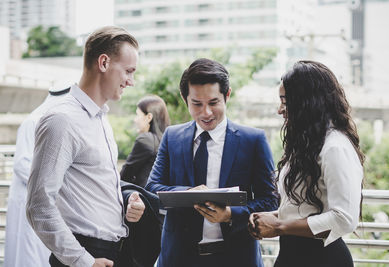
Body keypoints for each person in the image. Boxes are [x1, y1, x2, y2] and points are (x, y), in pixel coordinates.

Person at [26, 26, 145, 267]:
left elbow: (92, 183)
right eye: (128, 71)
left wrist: (127, 197)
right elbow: (38, 205)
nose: (131, 82)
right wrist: (82, 261)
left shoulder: (101, 119)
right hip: (86, 254)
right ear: (103, 62)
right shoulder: (62, 120)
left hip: (113, 250)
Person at [145, 58, 278, 267]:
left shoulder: (253, 140)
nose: (206, 113)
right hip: (179, 258)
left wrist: (230, 214)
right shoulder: (172, 137)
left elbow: (270, 200)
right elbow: (152, 189)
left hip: (236, 258)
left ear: (227, 95)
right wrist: (187, 194)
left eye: (213, 103)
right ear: (184, 98)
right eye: (197, 104)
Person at [248, 60, 364, 267]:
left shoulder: (335, 147)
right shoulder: (308, 144)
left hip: (322, 259)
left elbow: (344, 219)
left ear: (307, 102)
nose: (279, 110)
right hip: (291, 255)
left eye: (284, 101)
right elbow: (303, 208)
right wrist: (273, 217)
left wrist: (279, 225)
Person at [4, 86, 70, 267]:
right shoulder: (33, 121)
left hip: (47, 201)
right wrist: (55, 183)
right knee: (28, 252)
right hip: (30, 198)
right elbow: (22, 165)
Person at [120, 95, 170, 187]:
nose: (135, 120)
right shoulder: (169, 139)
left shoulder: (146, 140)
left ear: (149, 117)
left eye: (137, 115)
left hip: (145, 197)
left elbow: (125, 175)